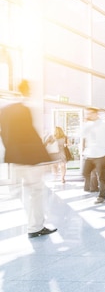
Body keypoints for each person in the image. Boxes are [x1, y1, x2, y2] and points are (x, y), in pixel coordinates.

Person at [0, 96, 57, 238]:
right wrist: (43, 157)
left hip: (15, 158)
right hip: (29, 159)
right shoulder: (22, 109)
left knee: (27, 191)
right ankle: (35, 227)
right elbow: (30, 134)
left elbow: (4, 135)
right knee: (36, 192)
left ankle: (33, 225)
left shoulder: (4, 112)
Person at [82, 107, 105, 204]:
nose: (88, 115)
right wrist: (85, 125)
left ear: (96, 114)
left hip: (101, 154)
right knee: (85, 173)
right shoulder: (87, 125)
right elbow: (81, 135)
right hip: (89, 154)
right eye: (87, 113)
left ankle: (102, 196)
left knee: (102, 177)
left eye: (89, 113)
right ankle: (92, 187)